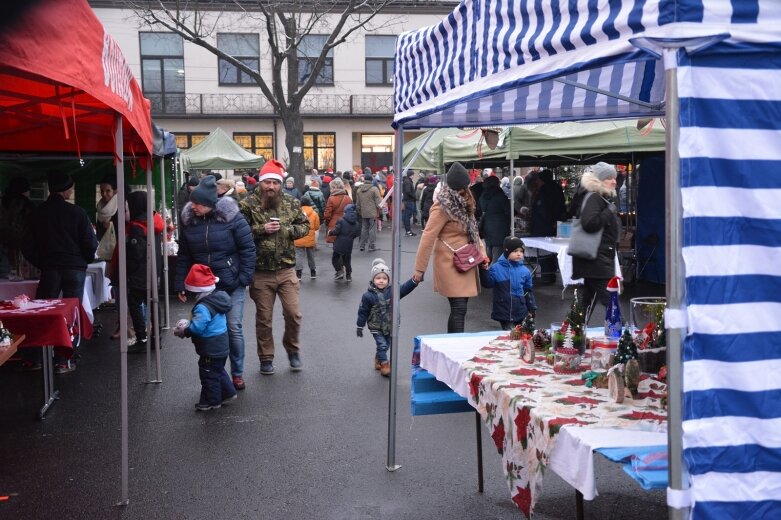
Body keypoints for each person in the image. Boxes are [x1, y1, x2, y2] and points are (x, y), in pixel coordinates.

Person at [177, 175, 256, 390]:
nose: (193, 207)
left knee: (233, 328)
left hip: (231, 283)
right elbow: (184, 254)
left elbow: (248, 249)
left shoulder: (233, 218)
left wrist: (243, 278)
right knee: (208, 330)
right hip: (204, 286)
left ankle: (237, 373)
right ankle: (217, 374)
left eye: (198, 203)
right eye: (192, 202)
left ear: (211, 204)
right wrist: (180, 283)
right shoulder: (189, 222)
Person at [21, 171, 98, 372]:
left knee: (43, 313)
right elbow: (90, 243)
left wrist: (42, 262)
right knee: (70, 314)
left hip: (50, 268)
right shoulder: (78, 213)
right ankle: (63, 360)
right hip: (75, 268)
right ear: (67, 190)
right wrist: (83, 260)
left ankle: (36, 357)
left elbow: (26, 245)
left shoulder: (37, 213)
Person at [239, 159, 310, 375]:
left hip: (287, 270)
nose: (271, 187)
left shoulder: (291, 203)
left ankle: (292, 349)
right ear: (261, 183)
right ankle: (266, 357)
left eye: (275, 183)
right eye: (267, 182)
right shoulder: (247, 204)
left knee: (294, 314)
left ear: (280, 184)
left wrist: (287, 230)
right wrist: (261, 229)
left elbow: (305, 226)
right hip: (260, 272)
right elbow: (238, 233)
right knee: (264, 318)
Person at [412, 162, 487, 333]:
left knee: (461, 309)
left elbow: (473, 231)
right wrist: (419, 270)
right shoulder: (442, 206)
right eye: (463, 186)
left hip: (467, 259)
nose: (465, 190)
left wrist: (483, 254)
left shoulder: (466, 202)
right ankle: (455, 347)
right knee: (459, 308)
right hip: (449, 261)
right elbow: (427, 237)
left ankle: (453, 344)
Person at [173, 264, 237, 411]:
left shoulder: (202, 307)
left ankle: (212, 401)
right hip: (221, 344)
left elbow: (198, 328)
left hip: (210, 347)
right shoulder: (217, 299)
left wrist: (184, 330)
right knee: (217, 370)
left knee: (208, 374)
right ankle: (228, 392)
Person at [570, 162, 621, 323]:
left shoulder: (600, 198)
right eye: (609, 178)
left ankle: (572, 334)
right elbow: (589, 223)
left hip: (596, 260)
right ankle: (623, 337)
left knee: (585, 303)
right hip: (597, 261)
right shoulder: (594, 198)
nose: (614, 181)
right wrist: (608, 212)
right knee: (610, 300)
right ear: (599, 180)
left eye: (614, 178)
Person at [356, 258, 419, 376]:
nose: (381, 281)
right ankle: (385, 365)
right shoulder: (367, 296)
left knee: (386, 345)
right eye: (378, 278)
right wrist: (360, 326)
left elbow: (405, 288)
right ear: (373, 279)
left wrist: (414, 281)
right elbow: (363, 311)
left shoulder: (393, 292)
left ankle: (378, 360)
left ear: (388, 280)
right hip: (376, 326)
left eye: (384, 278)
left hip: (391, 325)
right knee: (382, 345)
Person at [479, 237, 537, 330]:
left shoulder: (525, 271)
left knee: (523, 335)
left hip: (521, 310)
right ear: (507, 252)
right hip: (505, 310)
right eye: (515, 251)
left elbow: (528, 291)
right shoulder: (496, 268)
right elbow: (487, 284)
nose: (519, 254)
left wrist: (532, 308)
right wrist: (484, 270)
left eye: (521, 251)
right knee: (510, 334)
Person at [478, 175, 511, 264]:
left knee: (489, 255)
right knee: (497, 258)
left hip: (487, 228)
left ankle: (488, 273)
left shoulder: (482, 197)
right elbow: (509, 212)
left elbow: (478, 211)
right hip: (500, 229)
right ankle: (493, 276)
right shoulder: (501, 196)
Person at [328, 204, 360, 282]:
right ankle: (348, 275)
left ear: (346, 212)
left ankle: (339, 271)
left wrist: (330, 232)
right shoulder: (356, 223)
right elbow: (356, 234)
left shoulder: (341, 220)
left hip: (339, 243)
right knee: (347, 261)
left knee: (335, 259)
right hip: (349, 244)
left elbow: (336, 231)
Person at [354, 170, 383, 252]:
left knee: (364, 228)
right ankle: (371, 245)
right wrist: (381, 210)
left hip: (363, 212)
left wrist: (360, 211)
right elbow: (378, 203)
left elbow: (358, 203)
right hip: (372, 212)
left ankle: (362, 245)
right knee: (372, 229)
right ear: (371, 180)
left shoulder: (359, 190)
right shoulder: (374, 189)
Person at [294, 194, 320, 280]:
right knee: (311, 256)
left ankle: (298, 273)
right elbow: (316, 227)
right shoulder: (314, 213)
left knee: (299, 255)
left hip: (299, 236)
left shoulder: (297, 212)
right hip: (310, 237)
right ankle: (313, 272)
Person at [323, 178, 352, 246]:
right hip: (346, 223)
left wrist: (327, 222)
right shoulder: (348, 198)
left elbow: (327, 215)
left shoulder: (331, 199)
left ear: (333, 188)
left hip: (334, 223)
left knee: (335, 243)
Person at [95, 174, 118, 241]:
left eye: (108, 191)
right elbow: (99, 233)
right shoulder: (100, 207)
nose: (104, 194)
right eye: (102, 191)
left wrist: (111, 227)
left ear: (115, 191)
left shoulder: (122, 206)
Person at [401, 169, 417, 236]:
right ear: (411, 175)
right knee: (407, 216)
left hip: (407, 201)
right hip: (409, 201)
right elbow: (408, 191)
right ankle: (408, 231)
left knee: (406, 216)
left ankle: (408, 231)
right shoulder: (408, 182)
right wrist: (414, 196)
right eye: (413, 175)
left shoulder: (406, 181)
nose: (413, 176)